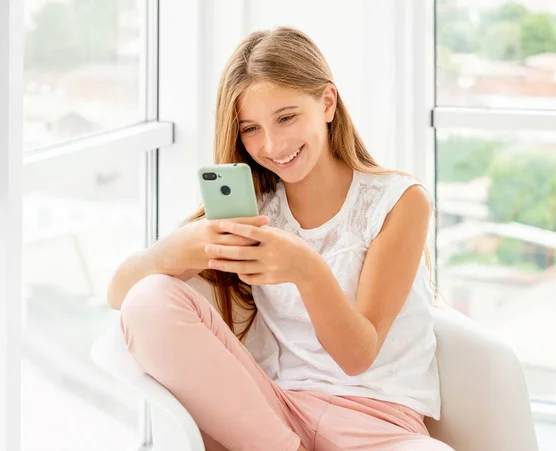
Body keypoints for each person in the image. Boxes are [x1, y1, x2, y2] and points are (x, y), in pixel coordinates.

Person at [108, 27, 454, 451]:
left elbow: (357, 356)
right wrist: (176, 249)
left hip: (376, 422)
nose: (272, 145)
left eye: (287, 117)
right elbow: (120, 295)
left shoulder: (398, 202)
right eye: (250, 128)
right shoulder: (256, 207)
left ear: (327, 103)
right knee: (149, 299)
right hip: (275, 419)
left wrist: (308, 271)